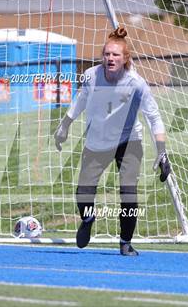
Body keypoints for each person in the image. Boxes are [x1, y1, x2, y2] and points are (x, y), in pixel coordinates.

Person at [54, 27, 171, 256]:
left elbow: (153, 118)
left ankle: (125, 242)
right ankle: (88, 219)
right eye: (107, 54)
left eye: (115, 54)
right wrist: (65, 125)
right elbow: (80, 101)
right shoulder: (91, 76)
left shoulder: (136, 84)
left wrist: (162, 151)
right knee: (83, 192)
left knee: (129, 192)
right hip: (97, 140)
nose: (110, 58)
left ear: (125, 59)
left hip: (129, 141)